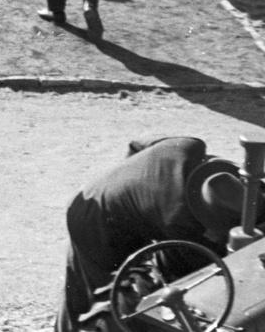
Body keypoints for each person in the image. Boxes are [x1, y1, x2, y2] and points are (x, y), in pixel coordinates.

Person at [54, 137, 260, 332]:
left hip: (102, 191)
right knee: (98, 294)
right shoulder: (178, 218)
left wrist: (134, 190)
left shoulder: (187, 146)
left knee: (84, 280)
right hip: (96, 222)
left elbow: (137, 145)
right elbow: (192, 271)